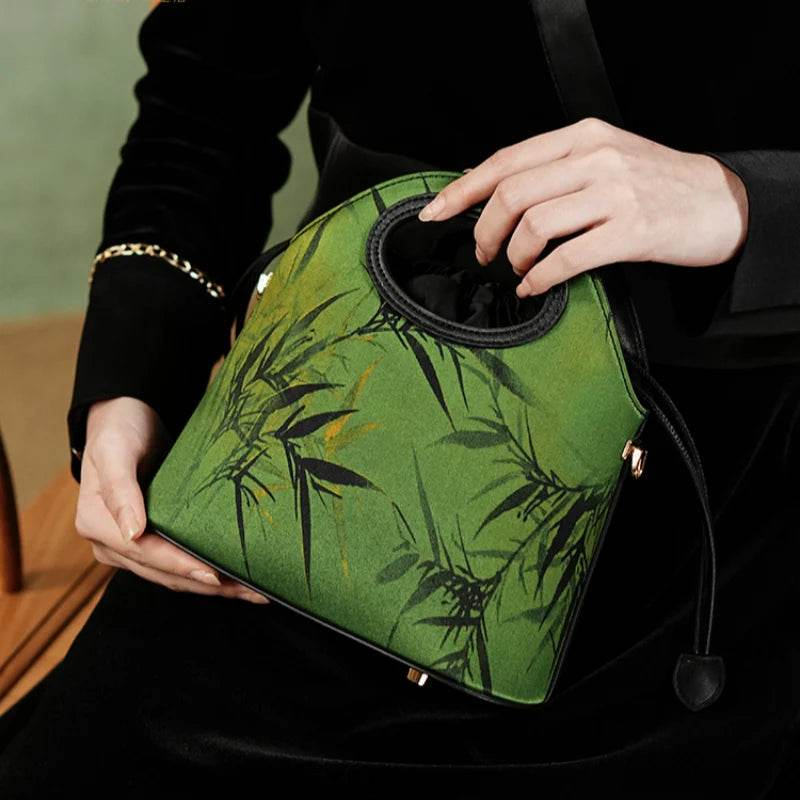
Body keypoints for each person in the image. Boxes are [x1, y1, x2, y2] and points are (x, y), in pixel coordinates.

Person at [1, 1, 798, 796]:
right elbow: (205, 105)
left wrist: (748, 203)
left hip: (734, 463)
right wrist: (129, 384)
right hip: (336, 409)